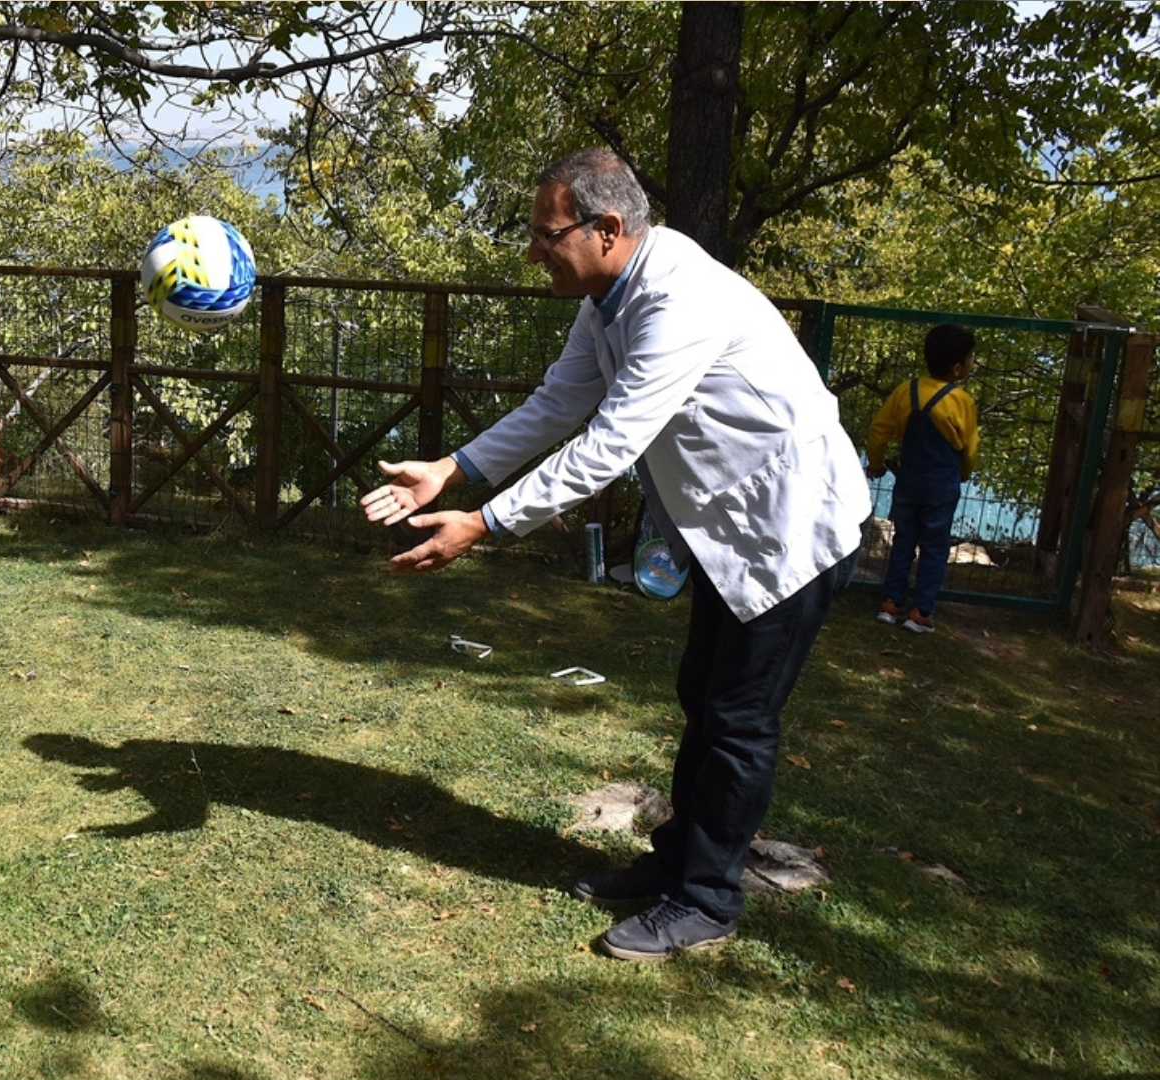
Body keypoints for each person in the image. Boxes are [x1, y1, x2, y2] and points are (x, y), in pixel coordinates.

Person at [360, 149, 871, 961]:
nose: (533, 253)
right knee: (702, 696)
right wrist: (450, 471)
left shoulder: (679, 299)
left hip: (788, 528)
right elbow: (558, 401)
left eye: (544, 235)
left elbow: (608, 446)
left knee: (737, 719)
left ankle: (705, 900)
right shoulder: (606, 294)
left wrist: (483, 523)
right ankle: (677, 864)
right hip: (729, 530)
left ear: (605, 229)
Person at [865, 324, 979, 634]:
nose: (972, 363)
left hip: (909, 478)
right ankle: (921, 611)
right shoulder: (962, 401)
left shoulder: (906, 390)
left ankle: (891, 603)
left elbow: (878, 430)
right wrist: (964, 473)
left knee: (903, 539)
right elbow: (969, 448)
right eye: (971, 358)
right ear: (958, 368)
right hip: (942, 481)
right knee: (934, 545)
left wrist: (876, 463)